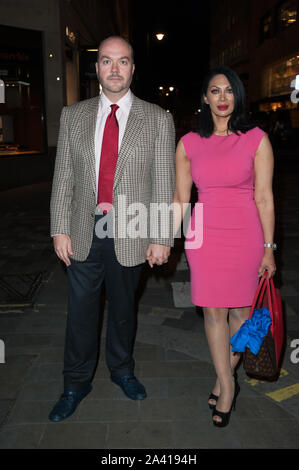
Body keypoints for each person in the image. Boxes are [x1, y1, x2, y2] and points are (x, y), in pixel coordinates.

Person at [49, 36, 175, 422]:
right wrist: (58, 227)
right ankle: (75, 383)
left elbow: (163, 182)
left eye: (123, 61)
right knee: (80, 313)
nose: (115, 69)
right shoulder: (74, 114)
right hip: (83, 230)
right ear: (97, 68)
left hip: (132, 231)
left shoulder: (157, 118)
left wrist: (160, 237)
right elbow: (64, 177)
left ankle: (121, 371)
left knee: (123, 310)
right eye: (107, 61)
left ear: (133, 68)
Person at [173, 66, 276, 427]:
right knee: (214, 314)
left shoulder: (256, 139)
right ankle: (229, 389)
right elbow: (180, 199)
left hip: (246, 234)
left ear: (238, 97)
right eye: (214, 91)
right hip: (205, 237)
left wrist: (268, 247)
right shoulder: (188, 143)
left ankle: (222, 378)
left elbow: (264, 197)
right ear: (205, 98)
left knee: (244, 316)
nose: (221, 98)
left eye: (229, 91)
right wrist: (161, 239)